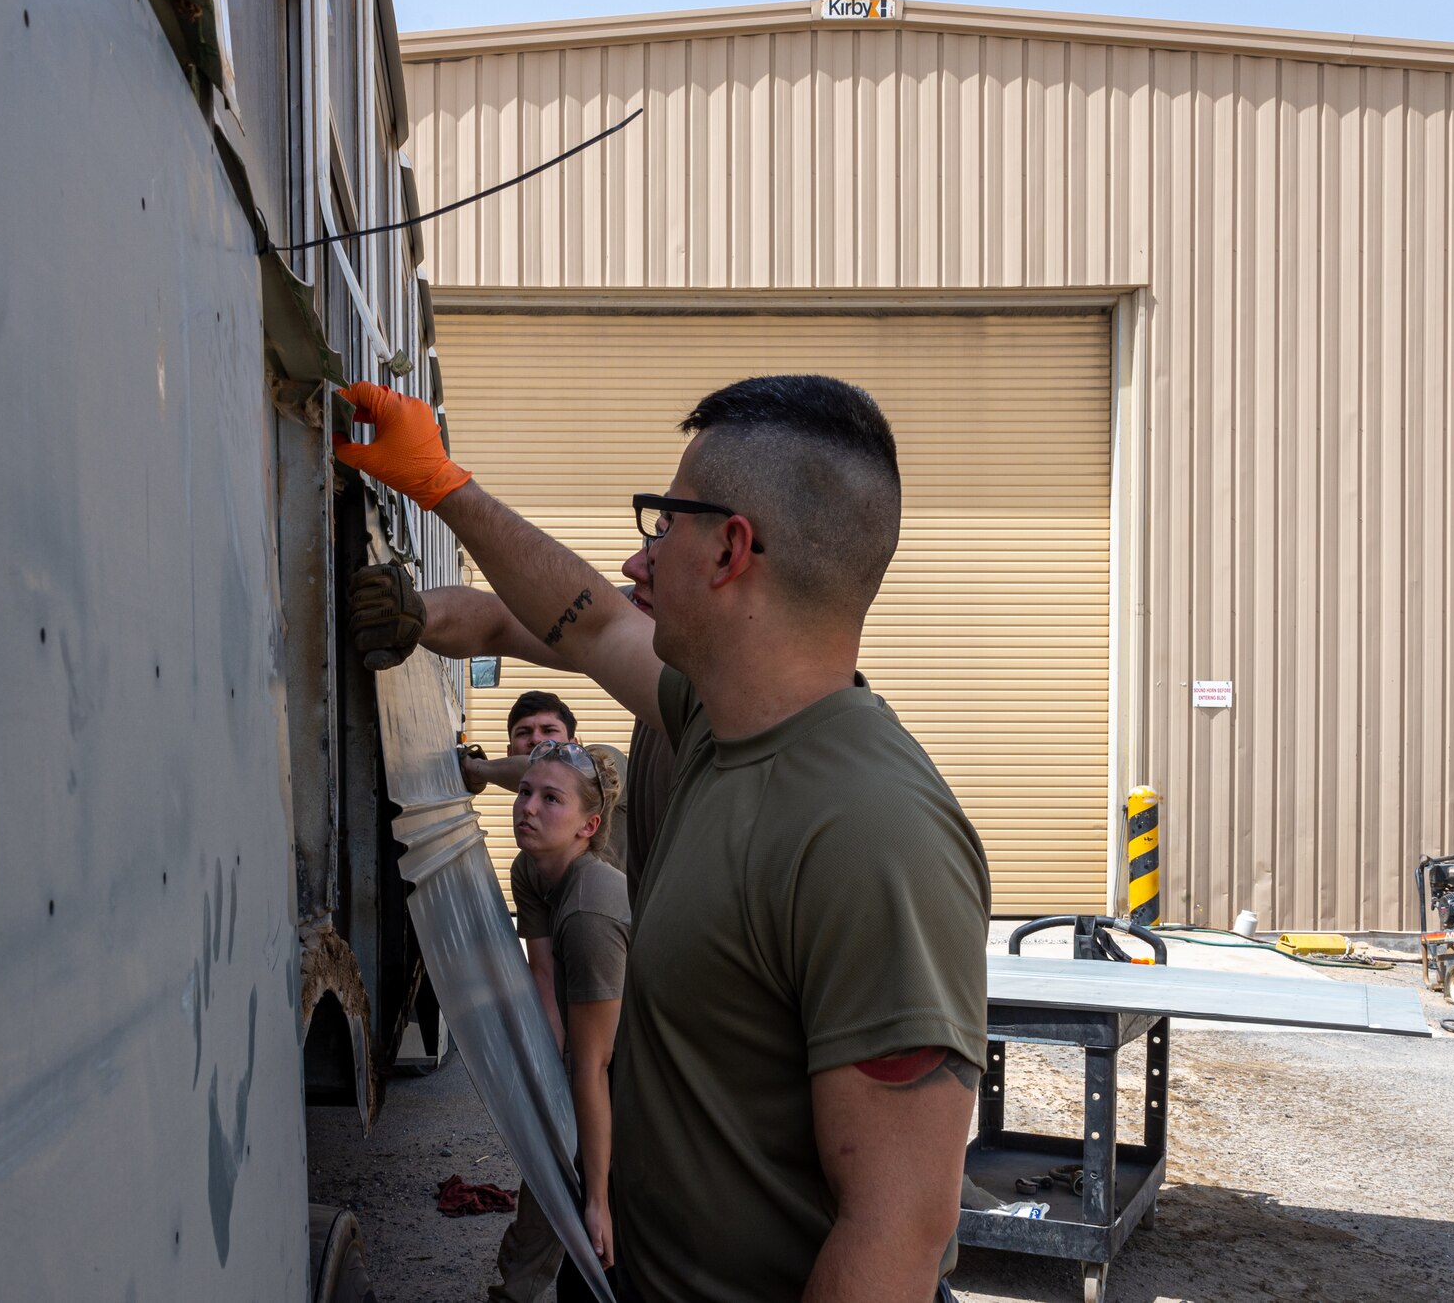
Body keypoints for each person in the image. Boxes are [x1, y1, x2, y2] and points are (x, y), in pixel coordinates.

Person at [334, 374, 991, 1303]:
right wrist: (442, 484)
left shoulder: (876, 834)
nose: (639, 563)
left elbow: (896, 1232)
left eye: (662, 523)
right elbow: (589, 615)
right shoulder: (714, 721)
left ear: (729, 550)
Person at [349, 568, 675, 907]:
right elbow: (497, 620)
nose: (536, 742)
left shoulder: (606, 765)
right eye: (525, 734)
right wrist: (416, 613)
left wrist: (478, 770)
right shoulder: (528, 869)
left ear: (578, 745)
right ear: (510, 750)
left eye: (550, 735)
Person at [494, 741, 630, 1303]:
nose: (528, 807)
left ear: (588, 825)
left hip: (638, 1075)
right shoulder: (534, 870)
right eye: (526, 791)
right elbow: (544, 975)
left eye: (552, 799)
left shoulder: (590, 910)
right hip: (597, 1060)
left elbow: (595, 1064)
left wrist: (596, 1196)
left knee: (600, 1242)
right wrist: (546, 1089)